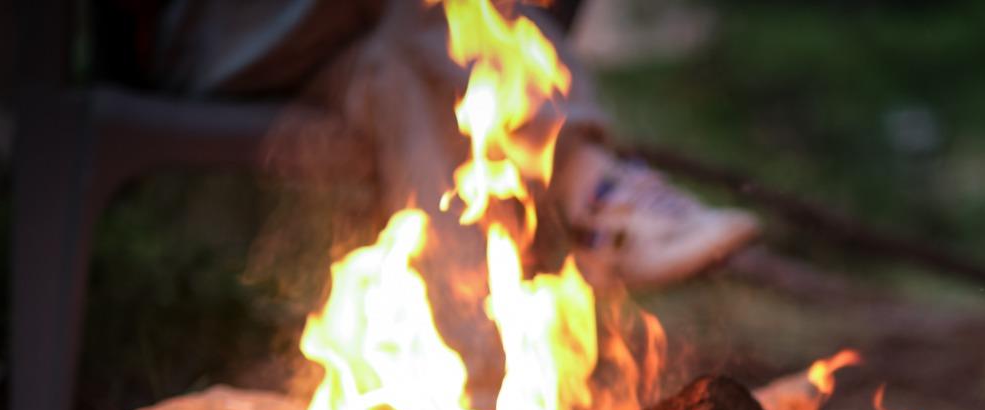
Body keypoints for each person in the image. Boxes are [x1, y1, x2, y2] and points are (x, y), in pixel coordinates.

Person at [153, 0, 759, 288]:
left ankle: (475, 382)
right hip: (218, 30)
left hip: (366, 36)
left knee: (405, 59)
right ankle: (596, 192)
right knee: (436, 30)